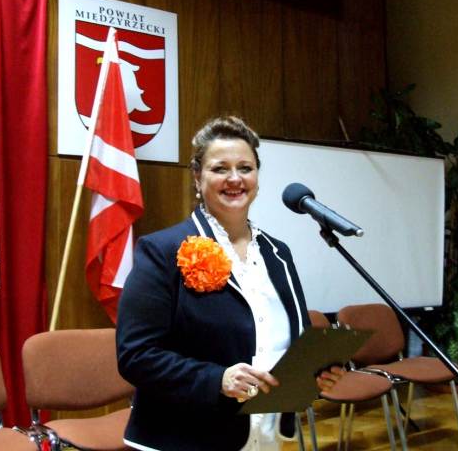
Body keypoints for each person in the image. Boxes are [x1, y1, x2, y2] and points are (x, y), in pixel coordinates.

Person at [116, 116, 343, 451]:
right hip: (186, 437)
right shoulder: (161, 250)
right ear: (197, 177)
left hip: (264, 433)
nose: (235, 178)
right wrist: (217, 379)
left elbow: (296, 337)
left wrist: (315, 371)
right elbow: (135, 355)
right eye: (220, 168)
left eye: (245, 168)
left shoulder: (278, 253)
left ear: (257, 177)